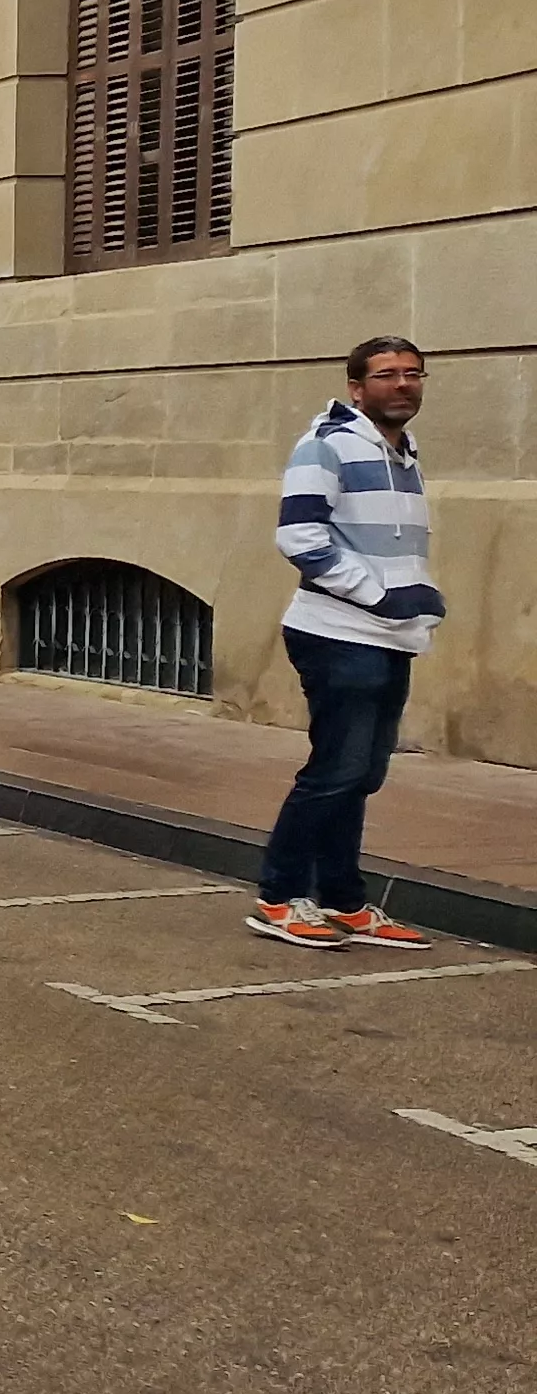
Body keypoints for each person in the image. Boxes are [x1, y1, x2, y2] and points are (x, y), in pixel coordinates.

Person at [247, 338, 442, 951]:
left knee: (362, 774)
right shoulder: (326, 447)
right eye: (387, 375)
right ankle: (279, 898)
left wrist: (419, 600)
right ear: (357, 387)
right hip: (338, 633)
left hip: (391, 637)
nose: (403, 385)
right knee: (335, 771)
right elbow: (299, 536)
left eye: (413, 374)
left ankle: (344, 902)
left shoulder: (403, 452)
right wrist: (378, 595)